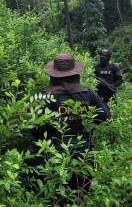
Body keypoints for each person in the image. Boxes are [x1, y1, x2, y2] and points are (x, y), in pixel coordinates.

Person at [30, 53, 110, 196]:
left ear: (53, 75)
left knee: (54, 196)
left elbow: (34, 129)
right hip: (83, 157)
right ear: (75, 74)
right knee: (80, 195)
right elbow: (105, 117)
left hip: (52, 157)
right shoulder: (88, 93)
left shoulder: (43, 96)